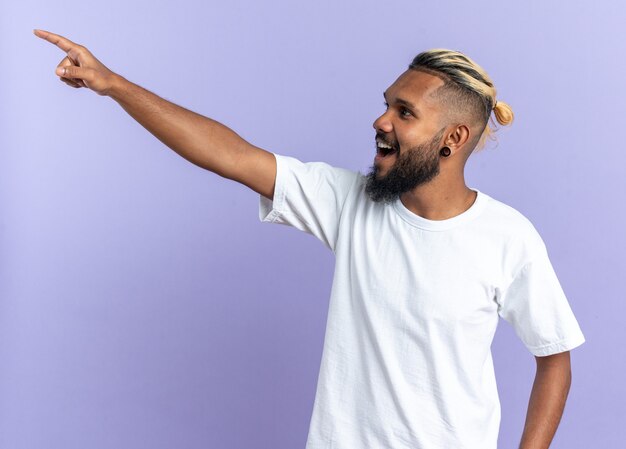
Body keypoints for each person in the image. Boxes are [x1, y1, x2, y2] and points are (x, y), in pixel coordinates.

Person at [34, 29, 585, 449]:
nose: (381, 120)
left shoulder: (506, 237)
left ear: (453, 139)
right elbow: (230, 155)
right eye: (387, 102)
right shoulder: (349, 202)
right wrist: (113, 85)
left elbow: (553, 356)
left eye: (405, 112)